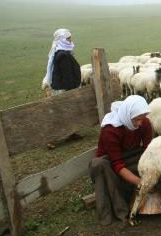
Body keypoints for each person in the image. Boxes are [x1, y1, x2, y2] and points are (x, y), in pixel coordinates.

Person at [89, 95, 153, 225]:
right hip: (110, 161)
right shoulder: (111, 130)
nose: (140, 123)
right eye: (136, 120)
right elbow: (117, 164)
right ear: (127, 115)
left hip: (132, 154)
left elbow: (148, 150)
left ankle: (138, 195)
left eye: (142, 118)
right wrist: (141, 182)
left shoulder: (144, 122)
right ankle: (119, 209)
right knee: (98, 165)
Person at [45, 28, 81, 95]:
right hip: (64, 90)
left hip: (62, 88)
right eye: (68, 38)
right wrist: (72, 91)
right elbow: (67, 75)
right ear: (62, 40)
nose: (71, 40)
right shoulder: (63, 55)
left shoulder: (58, 51)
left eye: (70, 38)